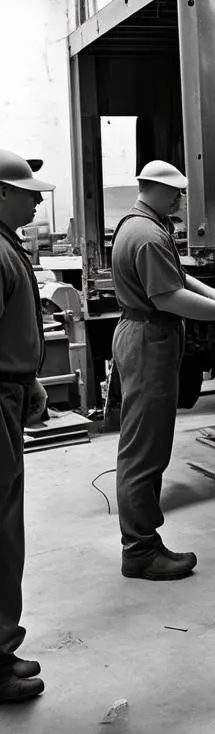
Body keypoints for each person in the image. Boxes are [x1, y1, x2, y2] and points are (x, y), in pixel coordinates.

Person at [111, 160, 215, 581]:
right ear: (160, 190)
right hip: (150, 340)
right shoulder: (147, 234)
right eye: (178, 193)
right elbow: (169, 298)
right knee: (144, 452)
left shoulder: (142, 223)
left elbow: (177, 276)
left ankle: (143, 542)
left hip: (149, 336)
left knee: (147, 447)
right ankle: (141, 550)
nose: (182, 200)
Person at [0, 149, 54, 703]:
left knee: (6, 528)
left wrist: (29, 377)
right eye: (26, 189)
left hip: (9, 390)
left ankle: (1, 648)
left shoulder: (6, 244)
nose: (37, 197)